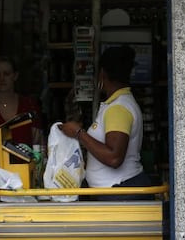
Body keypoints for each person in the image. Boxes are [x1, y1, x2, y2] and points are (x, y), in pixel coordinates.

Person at [58, 46, 153, 201]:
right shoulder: (117, 103)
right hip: (116, 192)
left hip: (121, 193)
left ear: (102, 74)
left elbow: (114, 158)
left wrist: (79, 133)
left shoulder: (118, 108)